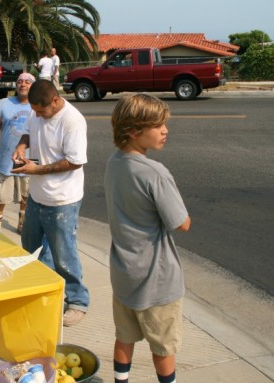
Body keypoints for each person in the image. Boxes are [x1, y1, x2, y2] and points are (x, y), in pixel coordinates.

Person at [104, 94, 191, 383]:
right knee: (163, 347)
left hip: (124, 273)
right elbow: (182, 223)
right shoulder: (155, 173)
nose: (165, 130)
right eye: (158, 125)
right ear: (133, 131)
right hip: (157, 279)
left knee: (124, 338)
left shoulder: (114, 163)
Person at [11, 79, 89, 327]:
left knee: (63, 253)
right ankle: (43, 291)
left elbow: (75, 161)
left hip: (62, 200)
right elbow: (28, 131)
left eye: (41, 110)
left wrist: (37, 170)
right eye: (34, 110)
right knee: (32, 248)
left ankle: (77, 301)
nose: (38, 115)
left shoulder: (72, 121)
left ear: (55, 100)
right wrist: (22, 146)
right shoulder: (37, 113)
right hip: (37, 196)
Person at [0, 72, 35, 233]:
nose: (23, 84)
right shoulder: (3, 104)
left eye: (28, 81)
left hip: (29, 159)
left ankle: (22, 224)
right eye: (20, 81)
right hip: (5, 161)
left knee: (27, 194)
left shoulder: (38, 104)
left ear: (33, 85)